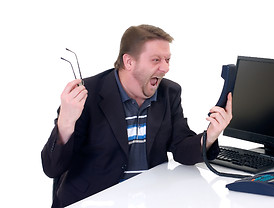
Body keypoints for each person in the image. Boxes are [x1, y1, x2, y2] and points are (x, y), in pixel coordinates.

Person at [41, 24, 232, 208]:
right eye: (156, 60)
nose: (165, 68)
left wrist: (211, 135)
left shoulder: (169, 92)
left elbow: (181, 148)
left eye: (167, 60)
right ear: (129, 62)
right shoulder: (87, 95)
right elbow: (52, 168)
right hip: (94, 199)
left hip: (149, 198)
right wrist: (66, 122)